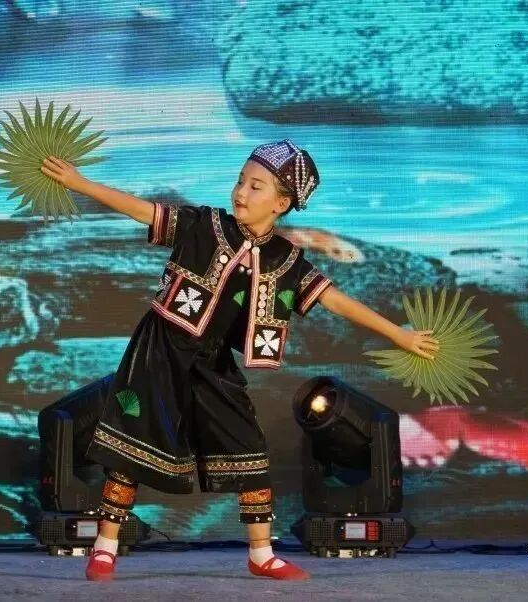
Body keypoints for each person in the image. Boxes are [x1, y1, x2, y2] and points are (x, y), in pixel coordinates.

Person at [40, 140, 439, 581]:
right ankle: (105, 546)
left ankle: (261, 554)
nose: (241, 192)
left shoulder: (285, 260)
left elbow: (335, 300)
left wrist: (397, 333)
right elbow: (143, 211)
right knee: (135, 440)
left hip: (212, 361)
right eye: (240, 181)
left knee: (247, 446)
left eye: (255, 186)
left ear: (281, 203)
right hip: (161, 350)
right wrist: (80, 183)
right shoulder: (204, 226)